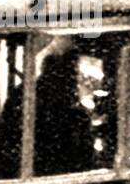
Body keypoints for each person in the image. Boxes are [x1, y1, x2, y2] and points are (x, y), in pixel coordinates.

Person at [32, 47, 94, 175]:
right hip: (52, 168)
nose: (77, 80)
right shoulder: (68, 110)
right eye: (74, 74)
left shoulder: (28, 90)